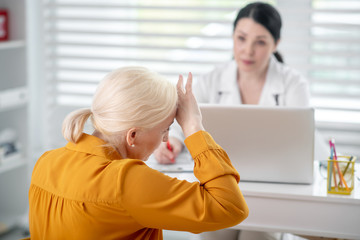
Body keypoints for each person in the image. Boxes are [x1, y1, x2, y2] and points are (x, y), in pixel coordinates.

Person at [27, 66, 249, 239]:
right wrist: (193, 126)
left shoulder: (46, 162)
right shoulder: (126, 181)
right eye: (165, 130)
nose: (165, 139)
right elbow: (230, 207)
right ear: (132, 135)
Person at [153, 2, 311, 240]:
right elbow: (183, 123)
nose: (248, 50)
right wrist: (172, 143)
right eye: (241, 38)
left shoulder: (293, 84)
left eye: (260, 42)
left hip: (272, 189)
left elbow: (301, 140)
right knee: (214, 235)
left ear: (276, 44)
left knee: (256, 235)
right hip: (219, 185)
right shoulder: (212, 79)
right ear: (232, 37)